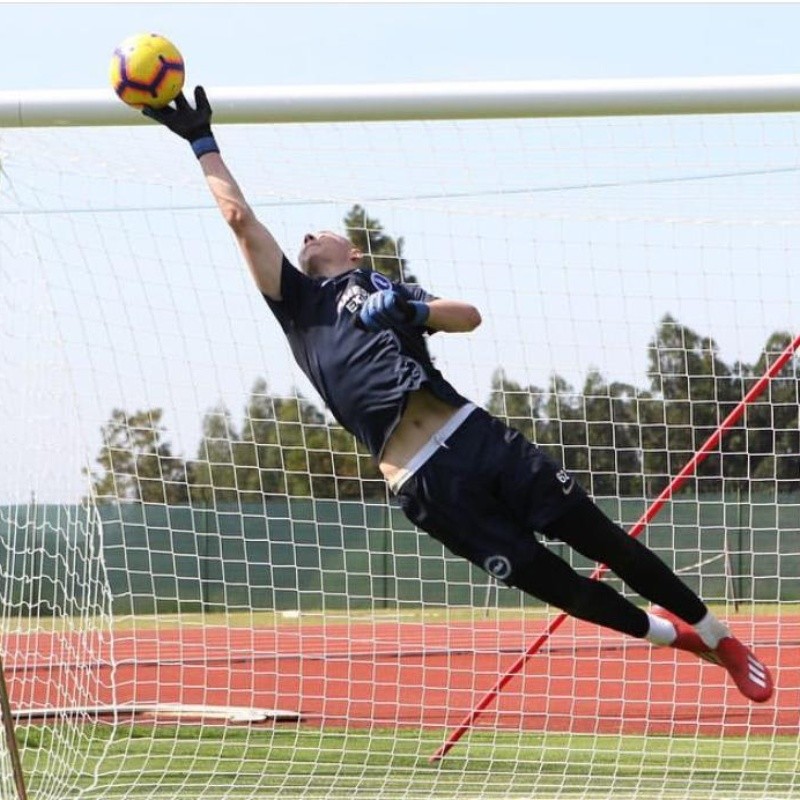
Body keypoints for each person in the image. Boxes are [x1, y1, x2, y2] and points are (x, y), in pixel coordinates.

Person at [143, 87, 773, 704]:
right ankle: (679, 639)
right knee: (561, 588)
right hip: (423, 485)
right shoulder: (297, 307)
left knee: (606, 542)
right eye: (303, 233)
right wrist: (202, 141)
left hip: (474, 438)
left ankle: (723, 640)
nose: (307, 233)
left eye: (323, 231)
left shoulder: (382, 288)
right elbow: (239, 220)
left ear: (353, 251)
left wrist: (407, 308)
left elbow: (468, 316)